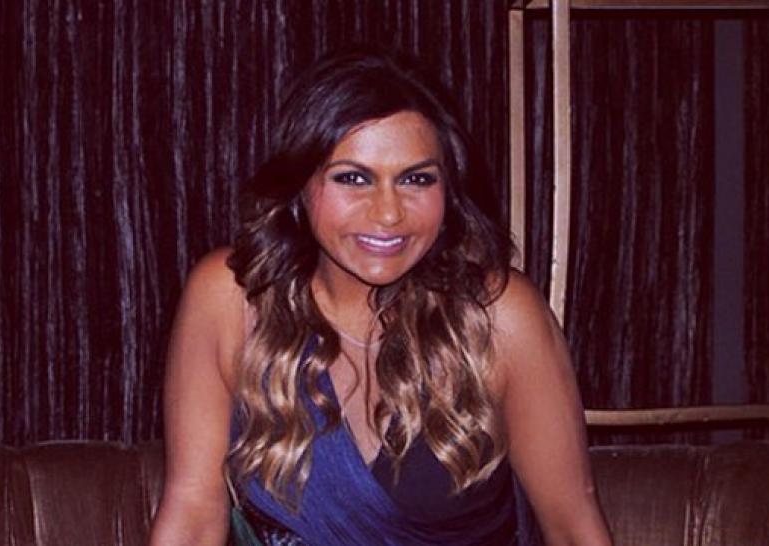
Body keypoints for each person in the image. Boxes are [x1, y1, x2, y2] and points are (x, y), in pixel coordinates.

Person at [149, 49, 612, 546]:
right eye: (353, 178)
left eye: (416, 179)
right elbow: (193, 514)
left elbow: (572, 526)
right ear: (299, 183)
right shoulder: (231, 299)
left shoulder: (499, 316)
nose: (388, 213)